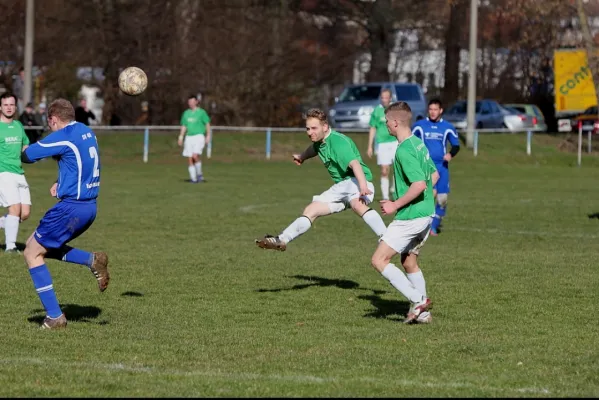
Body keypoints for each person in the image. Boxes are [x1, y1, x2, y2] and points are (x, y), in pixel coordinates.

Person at [20, 98, 109, 330]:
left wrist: (21, 149)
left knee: (31, 253)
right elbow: (81, 162)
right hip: (88, 207)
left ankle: (55, 317)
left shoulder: (64, 135)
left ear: (54, 120)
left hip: (71, 208)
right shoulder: (86, 131)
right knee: (35, 245)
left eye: (50, 124)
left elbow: (29, 156)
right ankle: (92, 260)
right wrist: (62, 181)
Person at [255, 108, 387, 251]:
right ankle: (282, 240)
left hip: (355, 182)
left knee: (356, 204)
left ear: (325, 127)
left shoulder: (338, 143)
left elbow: (355, 164)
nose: (310, 132)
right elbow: (313, 149)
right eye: (307, 129)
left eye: (314, 128)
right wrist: (302, 157)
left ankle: (386, 239)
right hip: (345, 188)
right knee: (312, 210)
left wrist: (362, 187)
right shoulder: (320, 141)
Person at [370, 101, 439, 324]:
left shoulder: (404, 151)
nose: (386, 125)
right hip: (427, 213)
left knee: (379, 260)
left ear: (396, 122)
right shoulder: (418, 143)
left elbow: (419, 184)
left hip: (412, 216)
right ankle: (424, 314)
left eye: (387, 121)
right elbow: (434, 176)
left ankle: (418, 300)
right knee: (409, 261)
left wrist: (394, 204)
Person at [411, 99, 460, 236]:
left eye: (435, 109)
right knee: (429, 195)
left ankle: (435, 223)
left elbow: (456, 145)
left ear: (441, 110)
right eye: (431, 109)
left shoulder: (448, 127)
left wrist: (450, 154)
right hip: (426, 166)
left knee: (442, 199)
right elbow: (409, 141)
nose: (433, 112)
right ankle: (423, 225)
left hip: (442, 167)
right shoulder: (420, 126)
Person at [0, 92, 32, 253]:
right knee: (14, 210)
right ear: (0, 107)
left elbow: (25, 144)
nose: (9, 107)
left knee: (24, 213)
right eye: (5, 104)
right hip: (3, 173)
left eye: (11, 104)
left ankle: (5, 224)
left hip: (19, 172)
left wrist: (31, 152)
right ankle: (10, 247)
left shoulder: (18, 125)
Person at [367, 88, 396, 200]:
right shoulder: (377, 111)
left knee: (398, 169)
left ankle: (394, 189)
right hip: (382, 144)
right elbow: (373, 128)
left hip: (395, 142)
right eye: (382, 97)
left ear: (390, 98)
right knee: (384, 170)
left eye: (386, 97)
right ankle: (385, 197)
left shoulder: (395, 109)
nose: (384, 100)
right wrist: (370, 146)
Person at [178, 94, 211, 183]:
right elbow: (184, 126)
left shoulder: (201, 112)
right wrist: (181, 137)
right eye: (189, 102)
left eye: (193, 101)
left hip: (199, 136)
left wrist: (208, 135)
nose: (191, 103)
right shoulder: (186, 113)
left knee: (195, 156)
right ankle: (193, 178)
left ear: (196, 102)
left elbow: (207, 123)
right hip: (189, 137)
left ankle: (199, 174)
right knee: (190, 158)